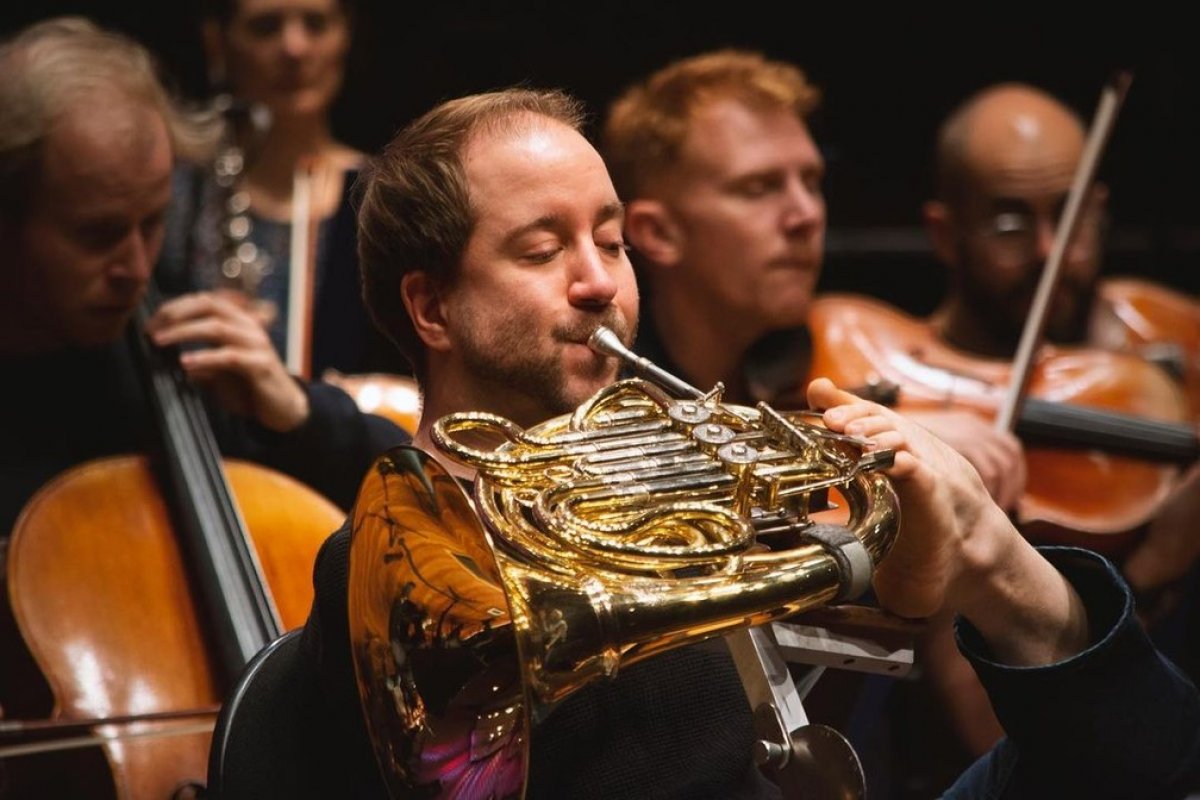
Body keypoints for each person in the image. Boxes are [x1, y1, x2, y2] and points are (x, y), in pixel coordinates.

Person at [297, 85, 1200, 799]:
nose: (597, 284)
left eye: (610, 244)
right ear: (431, 307)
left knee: (1122, 751)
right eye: (542, 252)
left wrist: (971, 552)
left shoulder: (687, 479)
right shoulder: (400, 563)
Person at [0, 11, 408, 738]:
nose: (135, 268)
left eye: (152, 222)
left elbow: (417, 510)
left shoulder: (169, 347)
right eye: (97, 234)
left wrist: (294, 412)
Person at [911, 80, 1200, 791]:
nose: (1051, 253)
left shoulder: (1171, 334)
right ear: (946, 234)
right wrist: (1152, 572)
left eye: (1070, 219)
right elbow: (995, 730)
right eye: (1011, 225)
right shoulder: (914, 397)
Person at [157, 0, 404, 379]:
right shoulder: (174, 196)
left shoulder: (388, 197)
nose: (294, 48)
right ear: (217, 42)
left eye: (317, 24)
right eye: (266, 27)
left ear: (346, 36)